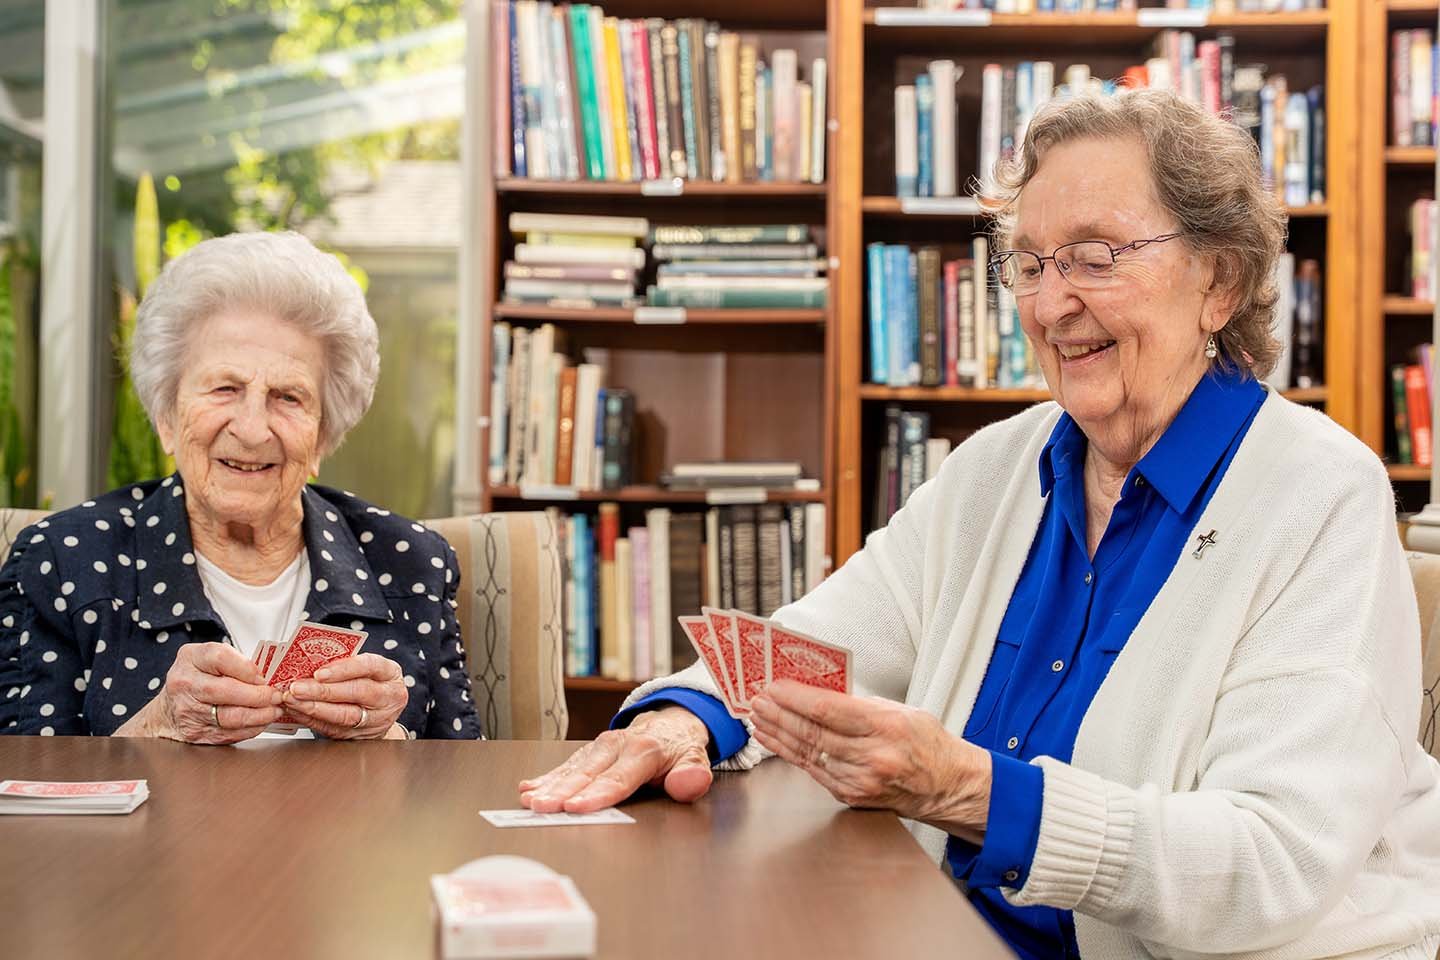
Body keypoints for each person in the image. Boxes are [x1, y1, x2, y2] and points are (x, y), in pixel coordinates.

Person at [518, 89, 1440, 957]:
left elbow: (1272, 858)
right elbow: (819, 646)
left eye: (1095, 257)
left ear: (1220, 281)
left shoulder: (1319, 494)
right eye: (1029, 264)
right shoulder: (1000, 466)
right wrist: (687, 716)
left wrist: (968, 791)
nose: (1050, 304)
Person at [0, 231, 480, 742]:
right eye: (225, 388)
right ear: (166, 416)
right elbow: (24, 780)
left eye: (288, 397)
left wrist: (390, 742)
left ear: (323, 435)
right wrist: (156, 727)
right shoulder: (62, 561)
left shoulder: (411, 564)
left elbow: (468, 778)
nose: (252, 430)